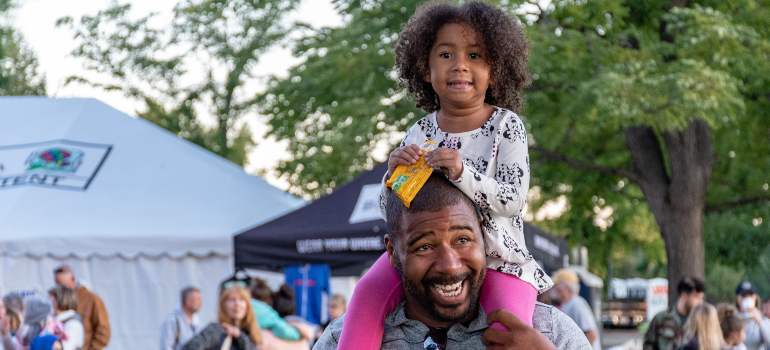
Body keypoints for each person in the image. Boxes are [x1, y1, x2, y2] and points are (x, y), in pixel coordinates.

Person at [340, 2, 552, 348]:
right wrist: (391, 177)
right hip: (426, 254)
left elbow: (512, 201)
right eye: (446, 55)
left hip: (499, 261)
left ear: (495, 71)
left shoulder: (506, 126)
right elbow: (393, 210)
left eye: (475, 56)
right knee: (366, 292)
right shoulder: (420, 131)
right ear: (425, 68)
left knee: (506, 331)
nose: (460, 66)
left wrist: (462, 172)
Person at [315, 171, 591, 349]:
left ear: (484, 238)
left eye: (462, 240)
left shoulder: (550, 334)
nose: (449, 264)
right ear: (392, 253)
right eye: (424, 246)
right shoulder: (340, 340)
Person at [181, 286, 260, 350]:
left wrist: (239, 336)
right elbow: (189, 347)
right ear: (223, 305)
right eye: (232, 300)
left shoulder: (249, 331)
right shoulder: (218, 329)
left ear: (248, 306)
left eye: (242, 300)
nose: (237, 304)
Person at [53, 265, 109, 350]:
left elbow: (103, 331)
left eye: (61, 284)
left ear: (72, 280)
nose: (59, 288)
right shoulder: (57, 301)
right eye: (57, 285)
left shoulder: (92, 299)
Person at [644, 276, 706, 350]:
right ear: (684, 296)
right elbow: (649, 344)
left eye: (701, 298)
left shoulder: (702, 321)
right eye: (697, 297)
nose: (700, 302)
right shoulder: (661, 318)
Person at [550, 268, 600, 349]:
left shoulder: (576, 304)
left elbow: (591, 334)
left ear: (567, 288)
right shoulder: (566, 304)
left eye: (557, 284)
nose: (553, 288)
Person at [734, 281, 770, 350]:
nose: (747, 298)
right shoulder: (731, 319)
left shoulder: (764, 321)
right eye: (744, 296)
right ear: (737, 299)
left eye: (751, 295)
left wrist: (760, 321)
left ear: (756, 298)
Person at [48, 286, 84, 350]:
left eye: (50, 299)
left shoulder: (73, 323)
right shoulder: (55, 320)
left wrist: (37, 340)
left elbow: (62, 347)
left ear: (59, 301)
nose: (47, 303)